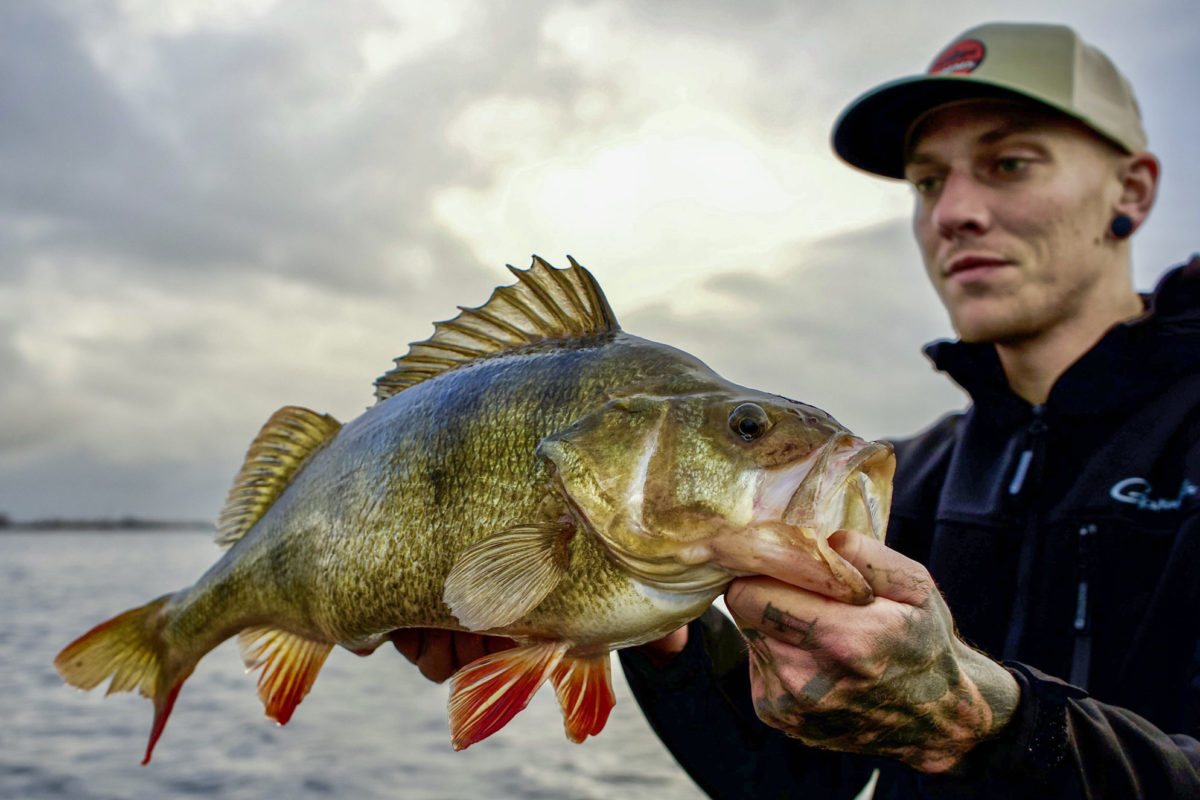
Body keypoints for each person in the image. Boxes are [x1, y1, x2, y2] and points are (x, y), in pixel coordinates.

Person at [393, 21, 1200, 798]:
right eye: (927, 181)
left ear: (1131, 189)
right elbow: (792, 781)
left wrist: (986, 723)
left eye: (1010, 164)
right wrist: (662, 634)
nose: (953, 212)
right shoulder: (918, 475)